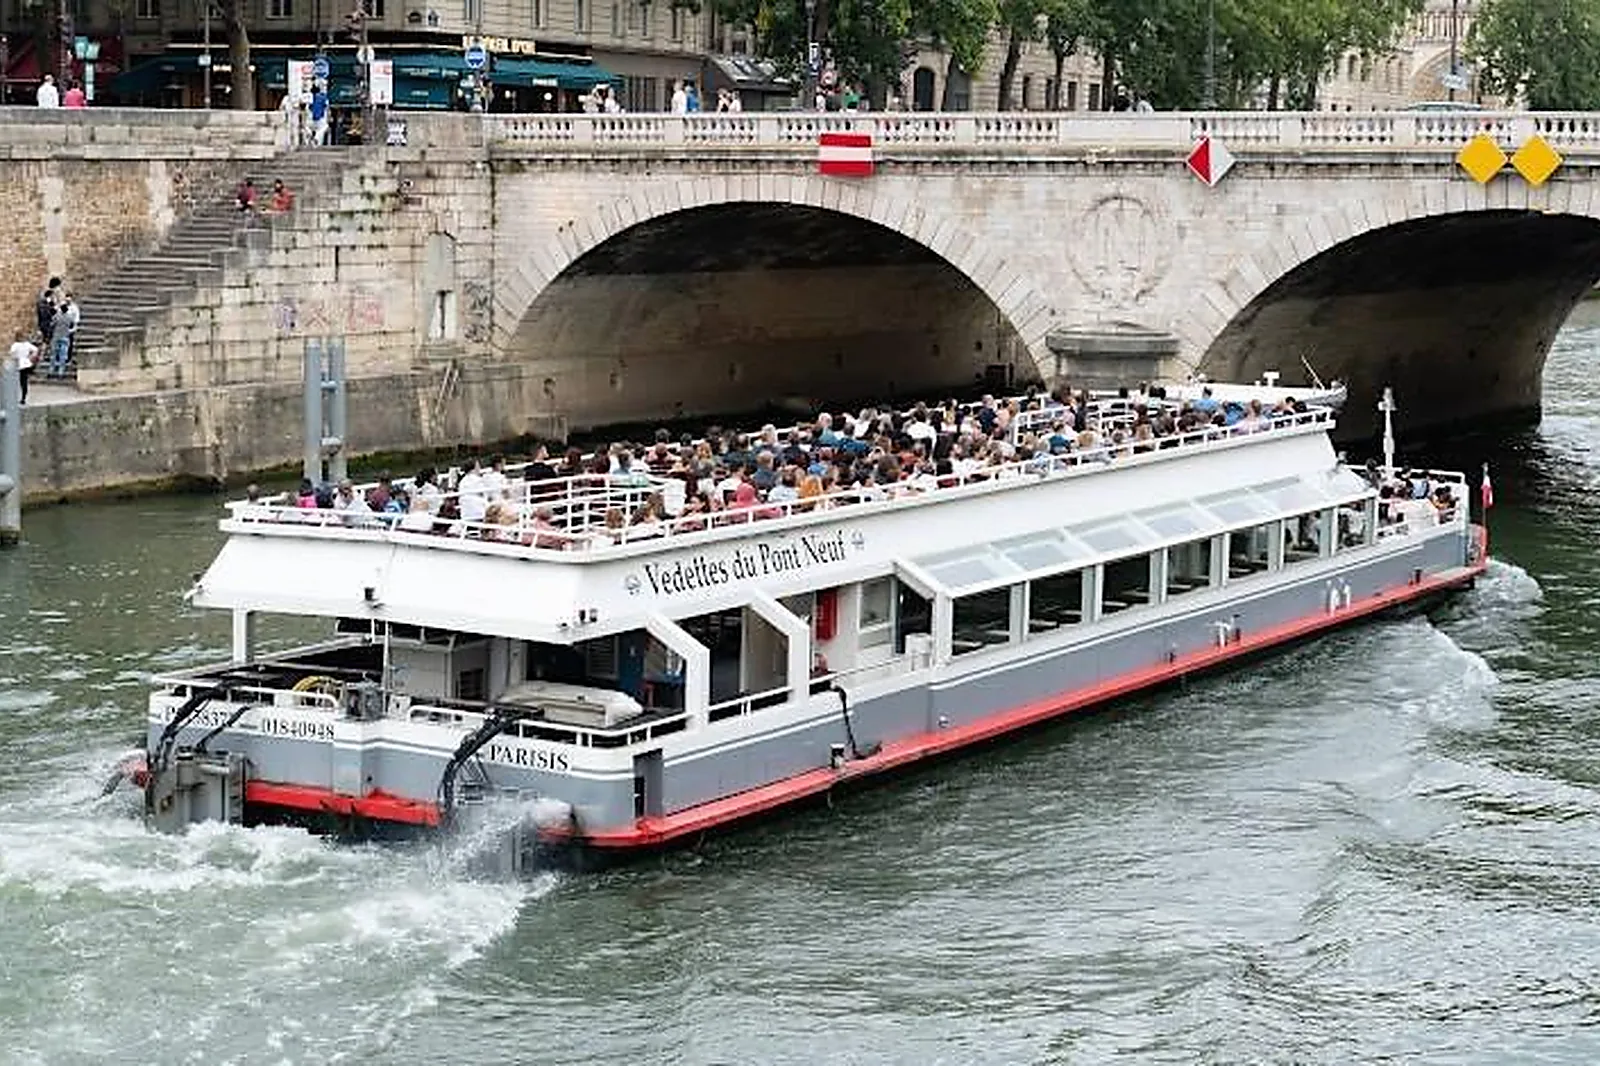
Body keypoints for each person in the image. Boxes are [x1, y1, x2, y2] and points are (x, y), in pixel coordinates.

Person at [7, 330, 36, 404]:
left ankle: (16, 397)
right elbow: (35, 349)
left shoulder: (16, 345)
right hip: (26, 363)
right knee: (24, 381)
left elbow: (11, 353)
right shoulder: (27, 344)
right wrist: (31, 356)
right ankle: (23, 398)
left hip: (18, 364)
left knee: (17, 381)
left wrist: (14, 357)